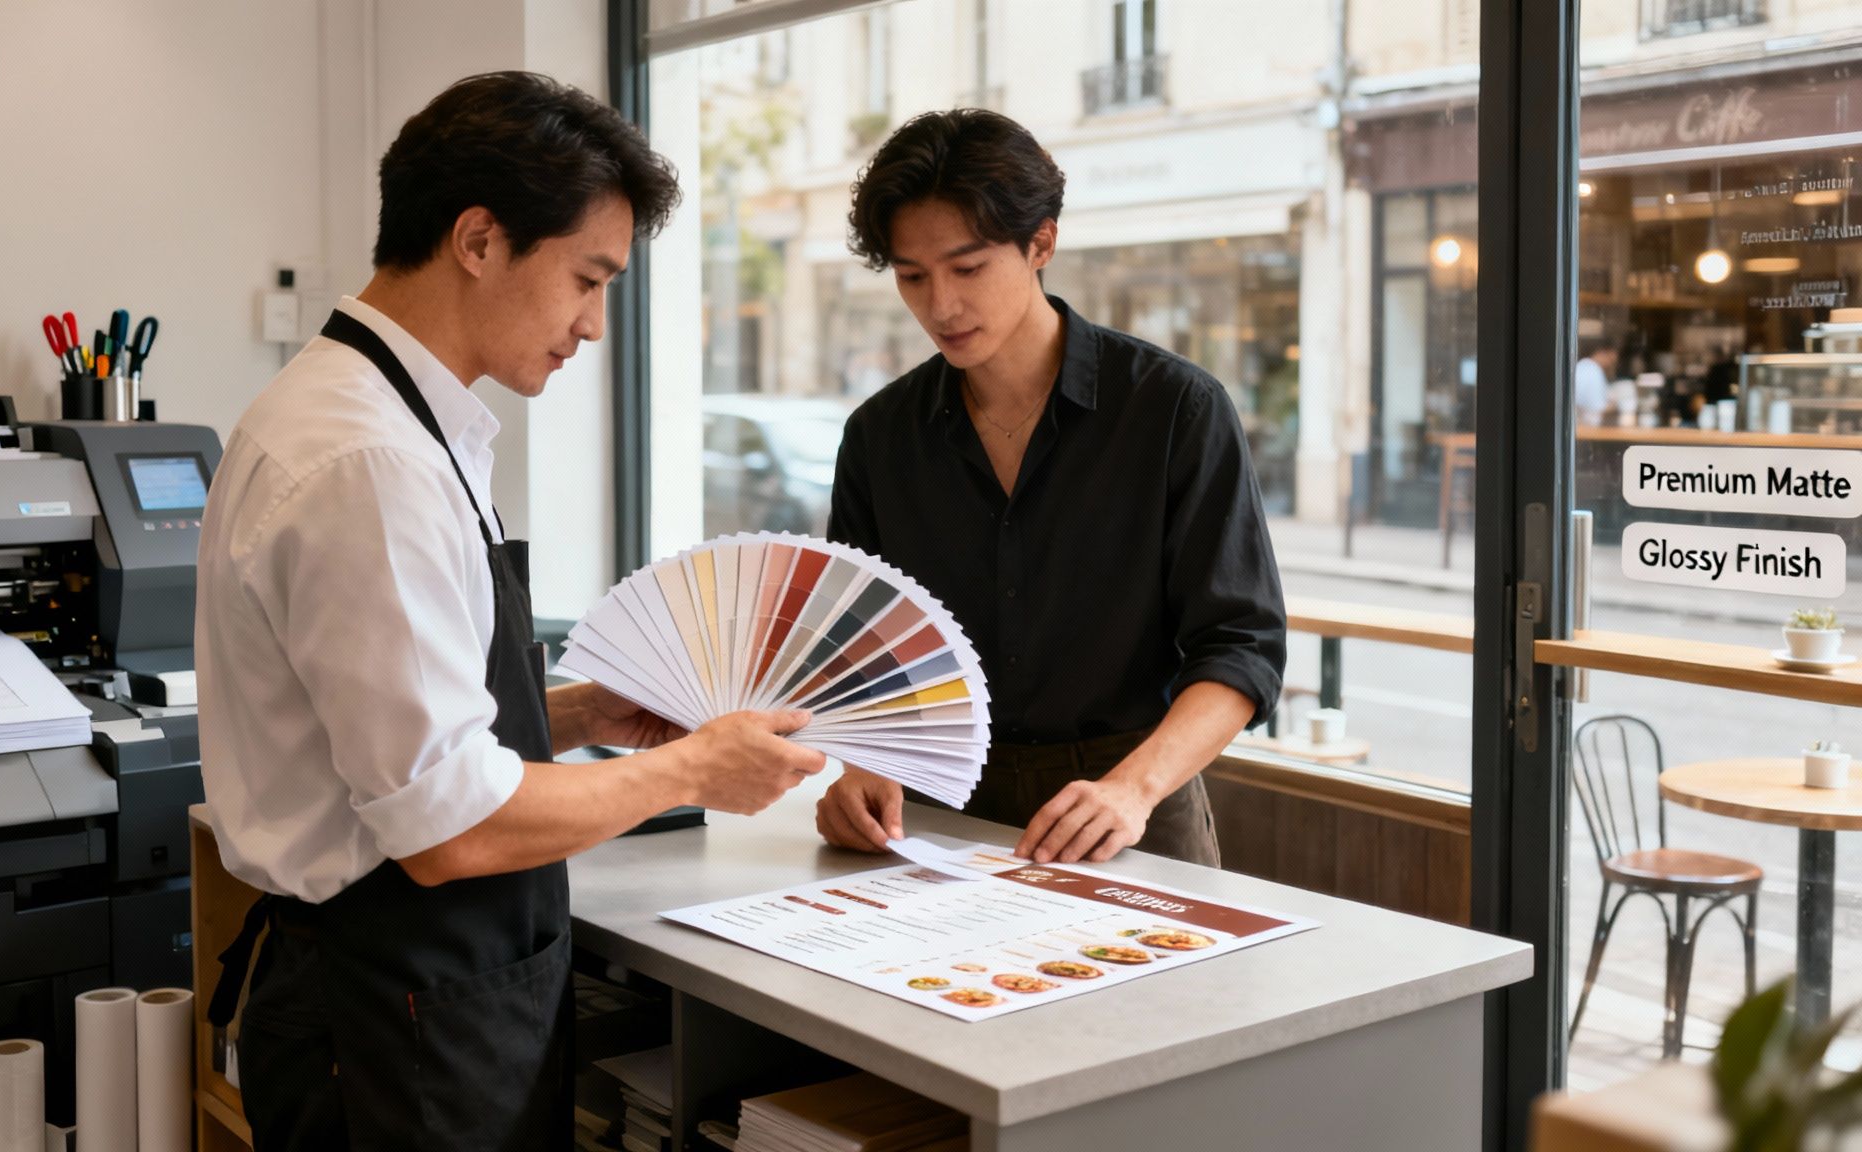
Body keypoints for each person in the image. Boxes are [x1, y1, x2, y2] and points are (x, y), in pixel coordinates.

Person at [195, 73, 826, 1151]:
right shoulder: (367, 462)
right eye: (587, 278)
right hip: (390, 1019)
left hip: (424, 991)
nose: (593, 325)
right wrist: (693, 771)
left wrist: (576, 715)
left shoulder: (383, 415)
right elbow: (449, 826)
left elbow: (390, 724)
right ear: (479, 240)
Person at [813, 109, 1286, 869]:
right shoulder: (880, 435)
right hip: (935, 808)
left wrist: (1132, 789)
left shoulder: (1174, 409)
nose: (940, 306)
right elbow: (860, 644)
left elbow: (1242, 648)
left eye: (968, 268)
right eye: (912, 276)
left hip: (1126, 807)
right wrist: (861, 764)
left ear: (1041, 243)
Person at [1574, 338, 1617, 426]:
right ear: (1603, 352)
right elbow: (1597, 410)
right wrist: (1618, 406)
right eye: (1611, 360)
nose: (1611, 364)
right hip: (1586, 428)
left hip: (1578, 424)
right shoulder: (1593, 370)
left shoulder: (1582, 365)